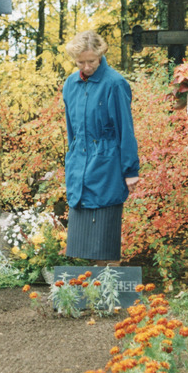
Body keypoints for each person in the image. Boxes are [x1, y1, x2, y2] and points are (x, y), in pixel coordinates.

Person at [62, 30, 141, 266]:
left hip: (107, 168)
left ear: (101, 54)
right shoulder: (70, 84)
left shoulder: (115, 84)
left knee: (105, 241)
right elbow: (72, 131)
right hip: (79, 168)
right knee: (87, 244)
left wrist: (131, 170)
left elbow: (125, 130)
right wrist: (72, 160)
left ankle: (110, 296)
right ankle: (96, 294)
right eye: (81, 62)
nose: (86, 67)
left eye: (91, 61)